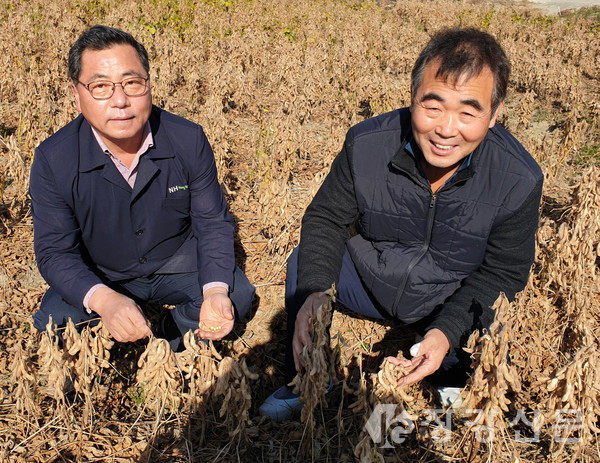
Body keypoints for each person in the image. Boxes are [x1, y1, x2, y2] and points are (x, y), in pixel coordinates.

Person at [260, 27, 543, 421]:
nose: (446, 128)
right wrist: (316, 292)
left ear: (494, 115)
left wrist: (447, 330)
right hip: (370, 278)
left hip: (447, 293)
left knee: (486, 322)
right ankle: (306, 376)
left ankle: (449, 369)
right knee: (303, 267)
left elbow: (503, 271)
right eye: (433, 106)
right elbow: (326, 218)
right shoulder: (367, 144)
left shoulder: (518, 178)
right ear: (412, 99)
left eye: (468, 111)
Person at [30, 25, 255, 350]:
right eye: (101, 86)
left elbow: (212, 222)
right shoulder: (54, 159)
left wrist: (215, 291)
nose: (120, 100)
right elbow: (54, 252)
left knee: (236, 295)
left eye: (132, 83)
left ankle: (173, 334)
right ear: (76, 94)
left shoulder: (187, 139)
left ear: (148, 85)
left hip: (175, 260)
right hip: (103, 269)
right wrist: (105, 300)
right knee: (54, 322)